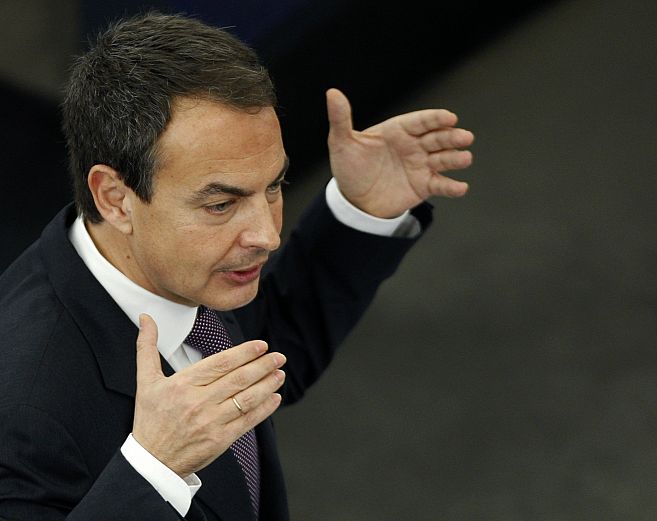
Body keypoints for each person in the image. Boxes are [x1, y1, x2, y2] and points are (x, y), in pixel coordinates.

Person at [0, 10, 474, 521]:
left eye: (273, 187)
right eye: (221, 205)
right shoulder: (25, 405)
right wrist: (153, 471)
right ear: (115, 198)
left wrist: (363, 209)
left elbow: (270, 344)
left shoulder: (169, 267)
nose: (267, 236)